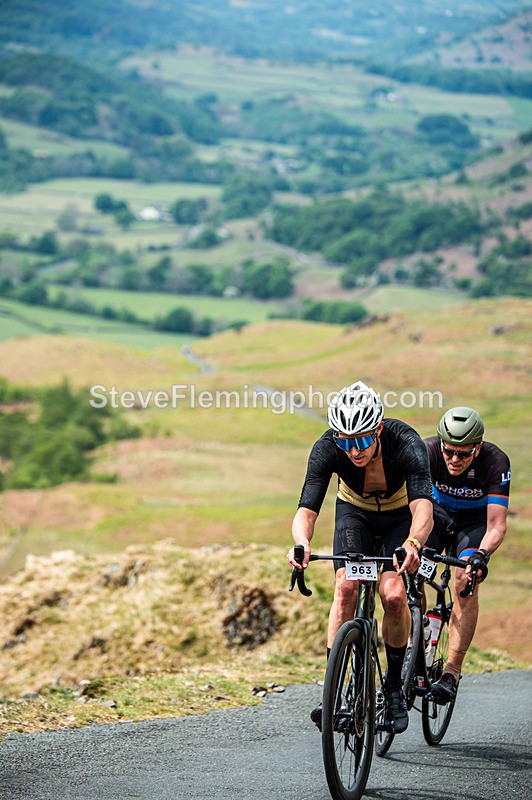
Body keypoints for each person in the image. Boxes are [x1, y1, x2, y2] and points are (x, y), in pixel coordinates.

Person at [287, 381, 434, 734]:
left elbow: (423, 508)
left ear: (379, 429)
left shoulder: (405, 441)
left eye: (363, 440)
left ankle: (395, 689)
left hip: (401, 516)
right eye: (346, 441)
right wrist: (301, 542)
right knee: (346, 587)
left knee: (394, 595)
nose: (354, 450)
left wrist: (413, 543)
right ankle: (334, 691)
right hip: (356, 513)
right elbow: (306, 509)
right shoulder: (327, 447)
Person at [424, 406, 510, 703]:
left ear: (479, 447)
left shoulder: (495, 461)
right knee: (411, 568)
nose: (454, 459)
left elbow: (497, 524)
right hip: (436, 519)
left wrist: (482, 555)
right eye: (449, 452)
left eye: (464, 453)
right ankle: (415, 638)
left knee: (464, 580)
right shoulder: (427, 452)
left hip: (473, 527)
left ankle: (452, 670)